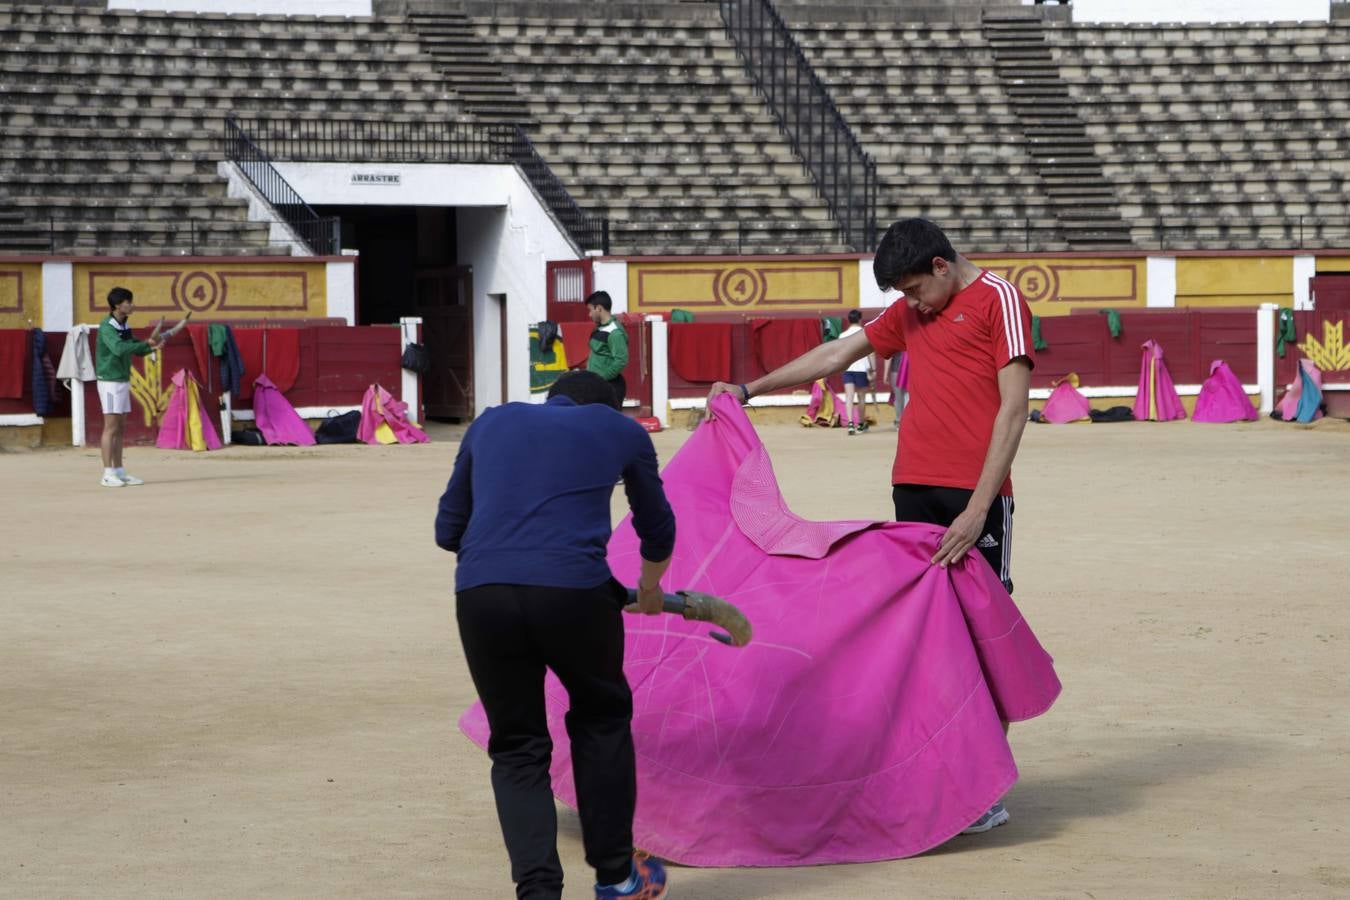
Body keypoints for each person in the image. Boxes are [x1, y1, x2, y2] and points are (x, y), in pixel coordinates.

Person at [707, 217, 1034, 834]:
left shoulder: (999, 298)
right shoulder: (912, 313)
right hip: (912, 488)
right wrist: (750, 389)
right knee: (932, 633)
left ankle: (984, 785)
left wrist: (976, 508)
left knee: (982, 629)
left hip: (975, 495)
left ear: (941, 266)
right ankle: (943, 767)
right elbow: (838, 352)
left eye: (914, 290)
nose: (910, 305)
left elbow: (1014, 409)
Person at [435, 369, 675, 900]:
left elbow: (447, 530)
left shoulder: (491, 422)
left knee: (517, 746)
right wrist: (649, 588)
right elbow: (657, 528)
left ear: (551, 399)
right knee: (601, 720)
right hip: (577, 594)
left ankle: (538, 892)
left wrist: (509, 562)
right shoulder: (623, 431)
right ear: (610, 409)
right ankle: (616, 877)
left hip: (482, 594)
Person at [95, 287, 162, 487]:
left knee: (120, 428)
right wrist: (145, 344)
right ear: (117, 305)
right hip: (109, 380)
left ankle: (119, 471)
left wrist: (150, 347)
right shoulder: (107, 326)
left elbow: (134, 347)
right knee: (111, 427)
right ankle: (107, 473)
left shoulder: (124, 325)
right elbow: (118, 349)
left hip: (122, 379)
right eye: (128, 302)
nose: (132, 305)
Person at [583, 291, 629, 407]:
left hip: (609, 388)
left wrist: (601, 379)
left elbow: (621, 360)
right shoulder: (600, 328)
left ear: (598, 308)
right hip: (597, 385)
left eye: (590, 310)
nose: (589, 314)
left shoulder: (614, 332)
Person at [838, 308, 874, 435]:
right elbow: (870, 353)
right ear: (859, 319)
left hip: (848, 369)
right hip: (861, 369)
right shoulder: (864, 333)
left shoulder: (842, 335)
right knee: (861, 397)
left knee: (849, 397)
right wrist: (873, 370)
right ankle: (861, 423)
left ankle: (850, 424)